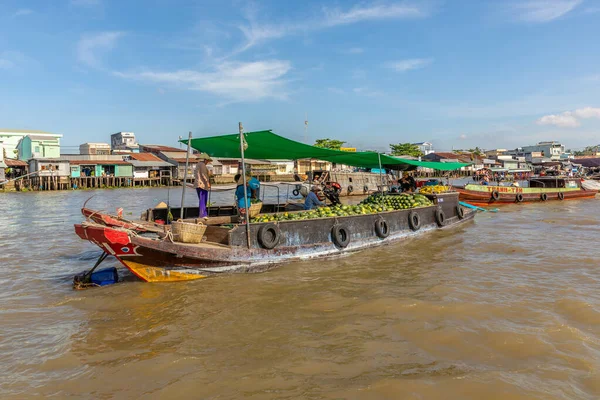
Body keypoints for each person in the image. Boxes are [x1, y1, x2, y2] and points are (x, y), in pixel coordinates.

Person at [194, 154, 212, 218]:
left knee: (202, 199)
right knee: (203, 199)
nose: (208, 162)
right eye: (207, 161)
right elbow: (204, 174)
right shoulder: (202, 165)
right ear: (205, 160)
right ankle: (203, 214)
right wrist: (207, 183)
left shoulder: (198, 164)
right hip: (202, 185)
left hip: (198, 184)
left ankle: (202, 214)